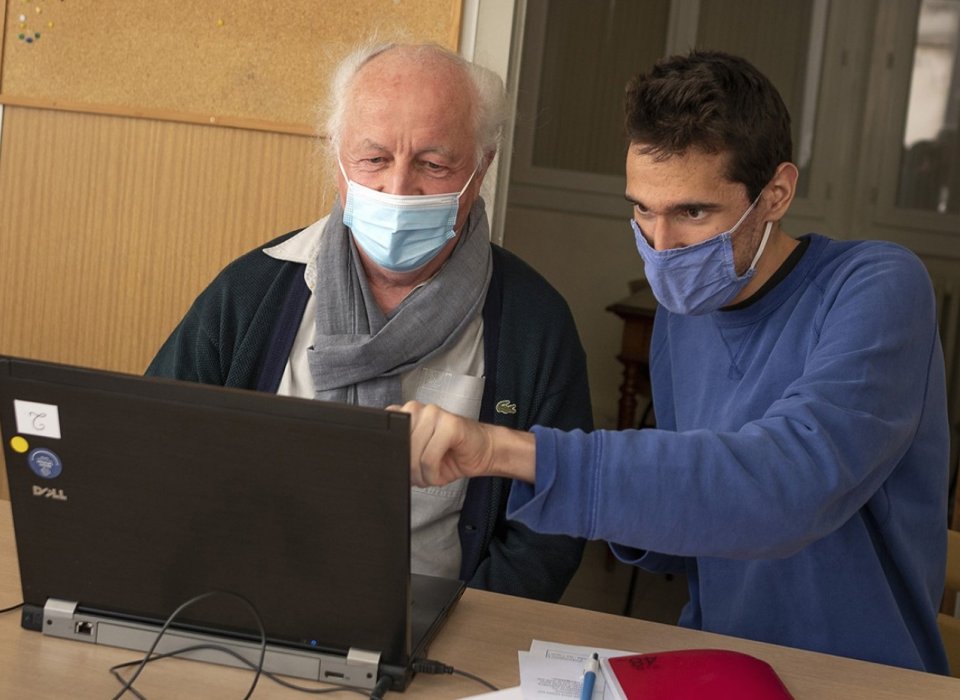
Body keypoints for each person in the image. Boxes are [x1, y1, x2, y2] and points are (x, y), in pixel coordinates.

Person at [395, 50, 952, 674]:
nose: (660, 246)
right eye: (642, 208)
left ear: (776, 194)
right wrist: (625, 512)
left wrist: (507, 451)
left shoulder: (878, 285)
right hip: (726, 664)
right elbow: (701, 529)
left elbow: (786, 483)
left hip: (864, 677)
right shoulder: (680, 319)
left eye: (692, 212)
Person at [146, 42, 592, 602]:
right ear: (337, 158)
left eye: (433, 164)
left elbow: (552, 525)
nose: (398, 190)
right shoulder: (253, 291)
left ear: (482, 167)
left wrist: (452, 627)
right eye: (374, 159)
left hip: (437, 633)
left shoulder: (534, 323)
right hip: (246, 605)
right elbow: (152, 452)